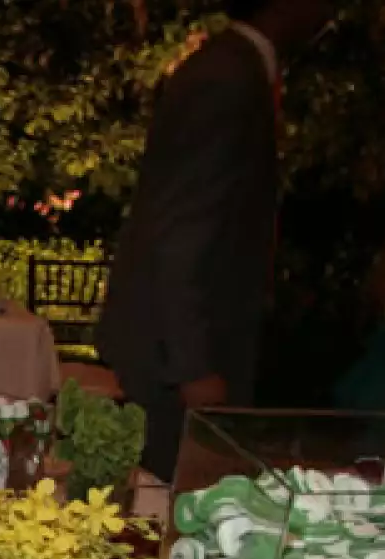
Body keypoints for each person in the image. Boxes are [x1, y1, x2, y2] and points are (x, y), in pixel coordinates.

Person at [95, 0, 332, 480]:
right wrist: (195, 369)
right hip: (174, 363)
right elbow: (182, 230)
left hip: (180, 354)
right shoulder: (227, 79)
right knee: (168, 507)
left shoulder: (228, 70)